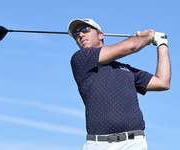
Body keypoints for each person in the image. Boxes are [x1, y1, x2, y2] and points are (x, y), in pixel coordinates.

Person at [67, 19, 171, 150]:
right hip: (98, 144)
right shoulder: (80, 59)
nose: (80, 35)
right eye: (76, 34)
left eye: (85, 30)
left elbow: (163, 82)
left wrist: (161, 43)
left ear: (100, 35)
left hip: (133, 143)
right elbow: (129, 47)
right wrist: (149, 37)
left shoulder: (126, 69)